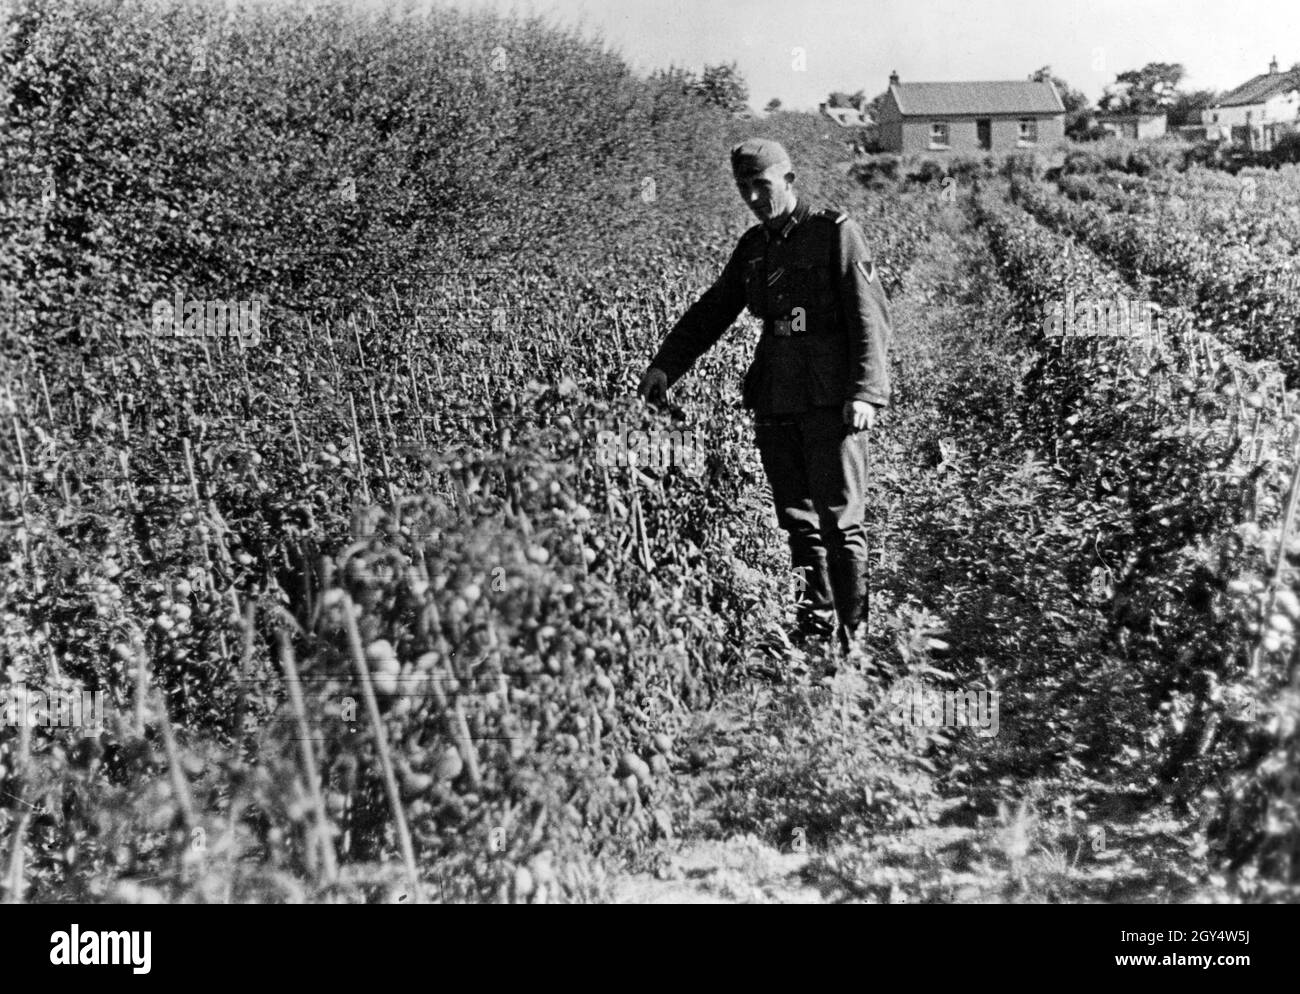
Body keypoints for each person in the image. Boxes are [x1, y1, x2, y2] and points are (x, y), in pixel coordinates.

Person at [637, 137, 892, 658]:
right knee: (797, 518)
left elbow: (869, 316)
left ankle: (855, 636)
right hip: (776, 393)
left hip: (829, 395)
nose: (754, 196)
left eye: (763, 185)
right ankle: (817, 629)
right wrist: (667, 365)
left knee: (841, 519)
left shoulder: (833, 234)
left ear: (789, 181)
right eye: (744, 187)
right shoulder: (754, 248)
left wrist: (866, 392)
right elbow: (713, 310)